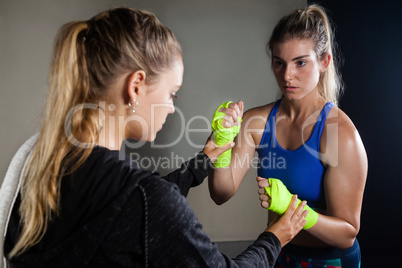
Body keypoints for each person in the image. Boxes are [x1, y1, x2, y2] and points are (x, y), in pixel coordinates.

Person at [0, 7, 308, 268]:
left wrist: (200, 165)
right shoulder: (147, 199)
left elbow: (127, 209)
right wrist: (275, 237)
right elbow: (145, 205)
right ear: (135, 86)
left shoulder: (40, 161)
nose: (173, 109)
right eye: (172, 93)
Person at [209, 5, 367, 267]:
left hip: (331, 261)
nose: (287, 75)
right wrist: (222, 138)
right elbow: (221, 192)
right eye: (279, 63)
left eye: (300, 63)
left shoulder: (339, 133)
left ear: (324, 62)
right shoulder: (256, 122)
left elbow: (348, 232)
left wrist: (296, 210)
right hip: (277, 253)